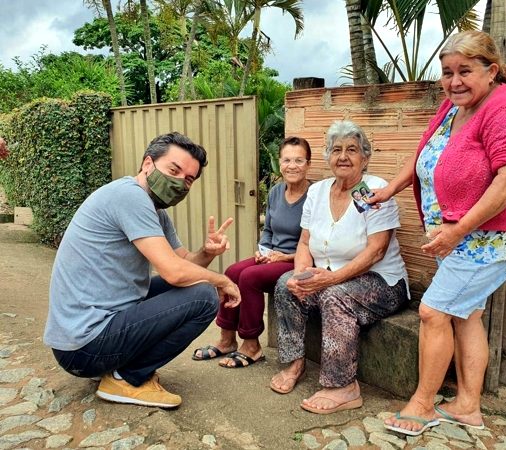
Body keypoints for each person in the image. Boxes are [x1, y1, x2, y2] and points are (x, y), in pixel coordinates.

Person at [368, 31, 506, 435]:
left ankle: (423, 404)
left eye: (465, 71)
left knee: (434, 312)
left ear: (492, 70)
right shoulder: (455, 107)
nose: (454, 81)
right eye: (448, 72)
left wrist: (457, 229)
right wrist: (390, 190)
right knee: (467, 315)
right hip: (460, 237)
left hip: (488, 239)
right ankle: (467, 406)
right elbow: (423, 153)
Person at [44, 132, 241, 409]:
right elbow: (174, 272)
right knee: (204, 297)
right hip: (82, 347)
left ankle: (122, 367)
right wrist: (222, 280)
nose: (180, 182)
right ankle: (126, 378)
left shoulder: (155, 210)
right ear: (148, 164)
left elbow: (186, 266)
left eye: (188, 179)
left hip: (95, 329)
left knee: (195, 287)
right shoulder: (129, 196)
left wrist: (207, 252)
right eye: (174, 170)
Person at [269, 120, 409, 414]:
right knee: (286, 285)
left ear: (365, 157)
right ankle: (296, 364)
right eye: (336, 150)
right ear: (328, 157)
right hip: (332, 277)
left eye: (352, 150)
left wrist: (328, 280)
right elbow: (304, 243)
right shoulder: (318, 192)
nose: (343, 156)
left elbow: (376, 251)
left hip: (381, 282)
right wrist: (301, 275)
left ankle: (344, 386)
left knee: (336, 295)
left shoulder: (372, 190)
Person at [192, 137, 312, 368]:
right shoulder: (277, 192)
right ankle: (227, 340)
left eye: (299, 160)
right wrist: (262, 251)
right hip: (272, 257)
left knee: (249, 278)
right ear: (280, 163)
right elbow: (267, 230)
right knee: (232, 271)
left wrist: (283, 256)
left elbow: (316, 242)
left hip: (297, 261)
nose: (292, 165)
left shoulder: (315, 194)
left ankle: (251, 344)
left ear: (308, 164)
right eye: (287, 160)